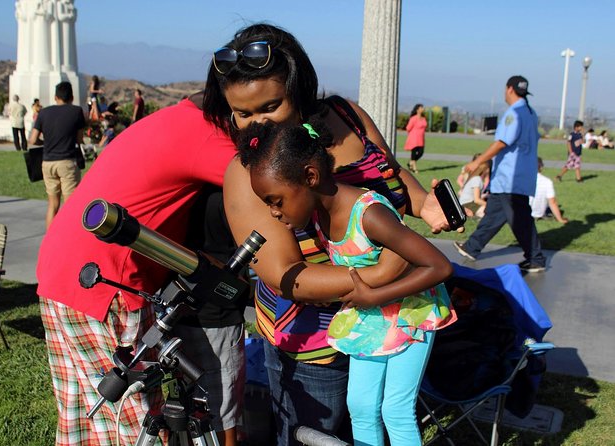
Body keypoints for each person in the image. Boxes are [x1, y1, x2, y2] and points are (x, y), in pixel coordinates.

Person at [202, 23, 460, 446]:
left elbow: (392, 177)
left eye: (270, 105)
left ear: (299, 89)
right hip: (316, 346)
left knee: (379, 421)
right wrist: (386, 270)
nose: (255, 124)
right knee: (319, 436)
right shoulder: (248, 173)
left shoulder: (346, 117)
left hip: (390, 322)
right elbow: (287, 275)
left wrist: (423, 205)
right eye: (242, 113)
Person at [35, 92, 245, 446]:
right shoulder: (209, 133)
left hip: (59, 272)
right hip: (108, 285)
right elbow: (272, 180)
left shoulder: (166, 120)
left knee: (81, 419)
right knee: (129, 421)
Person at [237, 118, 456, 446]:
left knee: (395, 409)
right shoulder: (319, 213)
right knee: (362, 407)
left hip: (412, 315)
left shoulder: (368, 214)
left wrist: (373, 296)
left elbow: (438, 266)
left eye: (276, 200)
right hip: (372, 321)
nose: (272, 212)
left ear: (310, 176)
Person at [453, 75, 546, 273]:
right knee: (495, 213)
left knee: (520, 219)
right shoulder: (531, 112)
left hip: (510, 177)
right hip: (520, 176)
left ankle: (536, 258)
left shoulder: (514, 113)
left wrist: (478, 161)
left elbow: (502, 141)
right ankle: (472, 247)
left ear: (509, 89)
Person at [28, 81, 86, 228]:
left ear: (55, 97)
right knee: (70, 206)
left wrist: (45, 143)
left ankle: (50, 241)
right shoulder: (76, 111)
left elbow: (32, 139)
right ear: (72, 97)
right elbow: (79, 139)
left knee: (53, 205)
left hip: (47, 163)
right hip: (67, 162)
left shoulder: (43, 113)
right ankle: (68, 240)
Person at [530, 157, 568, 224]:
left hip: (523, 213)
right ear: (541, 167)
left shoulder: (522, 179)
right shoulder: (547, 181)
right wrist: (560, 219)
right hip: (538, 213)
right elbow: (552, 202)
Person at [404, 103, 427, 173]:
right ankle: (414, 168)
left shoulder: (423, 118)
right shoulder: (413, 118)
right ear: (417, 109)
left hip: (421, 138)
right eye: (421, 108)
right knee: (414, 152)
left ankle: (411, 163)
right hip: (414, 138)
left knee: (421, 152)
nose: (423, 109)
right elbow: (408, 128)